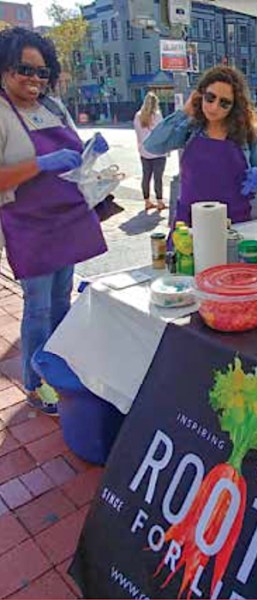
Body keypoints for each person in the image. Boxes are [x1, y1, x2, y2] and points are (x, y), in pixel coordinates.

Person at [0, 27, 108, 414]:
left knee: (62, 302)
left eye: (41, 71)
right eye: (23, 69)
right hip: (29, 226)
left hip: (67, 218)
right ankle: (34, 383)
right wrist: (39, 164)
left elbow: (75, 156)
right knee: (38, 307)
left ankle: (59, 370)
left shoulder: (53, 107)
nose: (33, 78)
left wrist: (91, 154)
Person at [144, 65, 257, 226]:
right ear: (200, 95)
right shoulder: (190, 129)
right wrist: (184, 112)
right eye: (210, 97)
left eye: (224, 103)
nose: (214, 107)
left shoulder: (250, 135)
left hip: (234, 224)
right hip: (190, 225)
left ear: (235, 106)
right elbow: (152, 146)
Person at [134, 91, 167, 212]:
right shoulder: (157, 116)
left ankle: (147, 202)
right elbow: (162, 133)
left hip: (144, 151)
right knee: (158, 178)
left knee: (146, 176)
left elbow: (137, 133)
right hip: (158, 151)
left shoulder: (138, 116)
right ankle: (160, 202)